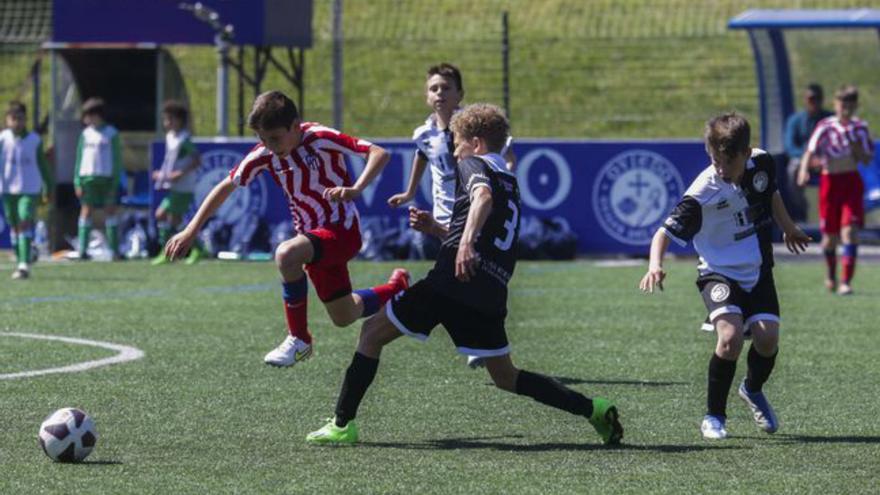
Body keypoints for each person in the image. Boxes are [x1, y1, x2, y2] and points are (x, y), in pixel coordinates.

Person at [307, 103, 623, 446]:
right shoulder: (510, 182)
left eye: (456, 144)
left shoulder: (475, 164)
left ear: (475, 142)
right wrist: (440, 231)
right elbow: (490, 231)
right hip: (489, 291)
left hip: (451, 282)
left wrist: (465, 243)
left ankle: (342, 424)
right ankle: (593, 409)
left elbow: (481, 198)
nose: (454, 153)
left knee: (371, 333)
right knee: (506, 377)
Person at [165, 90, 410, 367]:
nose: (269, 146)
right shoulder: (265, 154)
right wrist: (191, 230)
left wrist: (356, 189)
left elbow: (380, 153)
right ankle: (399, 288)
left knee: (285, 254)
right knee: (344, 315)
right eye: (262, 139)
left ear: (295, 126)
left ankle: (299, 339)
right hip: (311, 239)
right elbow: (225, 187)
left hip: (341, 231)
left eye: (275, 138)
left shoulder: (320, 137)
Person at [640, 112, 810, 440]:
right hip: (717, 273)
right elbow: (663, 232)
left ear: (746, 154)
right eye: (715, 161)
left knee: (767, 338)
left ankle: (752, 388)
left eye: (726, 163)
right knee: (730, 338)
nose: (720, 169)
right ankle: (714, 416)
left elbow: (771, 192)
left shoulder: (762, 163)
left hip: (758, 271)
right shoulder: (703, 191)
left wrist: (788, 226)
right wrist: (654, 264)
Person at [387, 63, 515, 369]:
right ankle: (478, 340)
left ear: (460, 93)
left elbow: (506, 155)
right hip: (446, 208)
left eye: (446, 88)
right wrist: (409, 192)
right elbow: (421, 156)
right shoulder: (424, 133)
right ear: (426, 95)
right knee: (458, 269)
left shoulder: (474, 127)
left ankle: (477, 340)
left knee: (465, 267)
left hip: (473, 205)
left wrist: (505, 177)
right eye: (433, 88)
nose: (439, 93)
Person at [798, 85, 874, 295]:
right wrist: (803, 171)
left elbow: (866, 159)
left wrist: (855, 145)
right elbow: (810, 150)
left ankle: (845, 281)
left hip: (850, 182)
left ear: (856, 106)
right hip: (829, 183)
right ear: (835, 105)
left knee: (850, 232)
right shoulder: (825, 126)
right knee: (829, 237)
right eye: (842, 105)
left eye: (850, 106)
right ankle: (831, 274)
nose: (845, 110)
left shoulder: (860, 128)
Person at [0, 102, 52, 279]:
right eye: (13, 119)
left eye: (20, 119)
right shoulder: (3, 138)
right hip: (7, 190)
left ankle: (23, 266)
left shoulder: (34, 140)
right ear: (7, 120)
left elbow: (43, 165)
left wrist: (48, 186)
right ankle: (25, 255)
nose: (17, 123)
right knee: (13, 226)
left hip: (29, 189)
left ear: (25, 120)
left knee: (24, 221)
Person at [151, 101, 204, 265]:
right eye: (165, 119)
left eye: (169, 119)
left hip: (184, 187)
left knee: (167, 218)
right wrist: (162, 175)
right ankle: (198, 247)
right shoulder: (171, 137)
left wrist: (178, 174)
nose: (166, 123)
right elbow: (171, 161)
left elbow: (196, 160)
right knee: (171, 219)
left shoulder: (184, 139)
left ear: (179, 120)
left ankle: (167, 253)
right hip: (174, 187)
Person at [74, 97, 123, 260]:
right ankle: (82, 250)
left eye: (89, 115)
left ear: (98, 115)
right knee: (86, 211)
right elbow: (79, 158)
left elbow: (116, 159)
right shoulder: (85, 134)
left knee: (110, 211)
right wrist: (77, 181)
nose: (86, 119)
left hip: (106, 180)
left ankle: (114, 251)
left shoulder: (111, 133)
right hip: (88, 179)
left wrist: (115, 181)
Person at [783, 83, 832, 221]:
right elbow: (790, 147)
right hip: (802, 160)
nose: (814, 102)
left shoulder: (830, 119)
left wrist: (822, 159)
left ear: (822, 100)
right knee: (793, 168)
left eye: (817, 98)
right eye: (810, 99)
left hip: (826, 160)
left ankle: (834, 211)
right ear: (805, 100)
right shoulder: (795, 120)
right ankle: (800, 209)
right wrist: (808, 160)